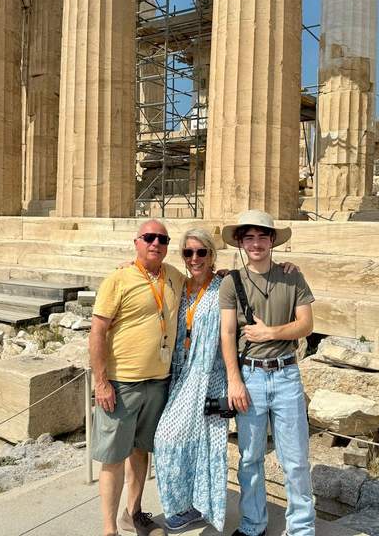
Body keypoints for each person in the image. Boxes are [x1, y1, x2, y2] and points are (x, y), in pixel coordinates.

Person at [219, 210, 316, 536]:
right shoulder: (231, 283)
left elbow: (306, 325)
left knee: (296, 460)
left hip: (287, 375)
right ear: (241, 242)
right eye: (250, 237)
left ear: (273, 240)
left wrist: (270, 333)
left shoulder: (293, 277)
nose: (256, 243)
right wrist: (234, 380)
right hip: (251, 378)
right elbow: (228, 333)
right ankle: (252, 525)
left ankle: (301, 529)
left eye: (263, 236)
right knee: (249, 458)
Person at [90, 220, 185, 536]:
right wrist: (100, 382)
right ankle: (108, 529)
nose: (155, 243)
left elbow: (203, 280)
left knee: (140, 450)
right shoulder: (118, 279)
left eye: (162, 238)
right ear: (137, 242)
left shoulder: (173, 277)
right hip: (121, 384)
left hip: (158, 383)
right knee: (113, 456)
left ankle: (134, 514)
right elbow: (98, 331)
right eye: (149, 237)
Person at [153, 228, 229, 532]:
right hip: (181, 373)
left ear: (212, 255)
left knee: (175, 439)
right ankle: (189, 506)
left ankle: (197, 505)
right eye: (189, 253)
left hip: (209, 375)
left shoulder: (225, 285)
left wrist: (287, 269)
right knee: (183, 441)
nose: (195, 258)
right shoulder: (180, 285)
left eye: (202, 252)